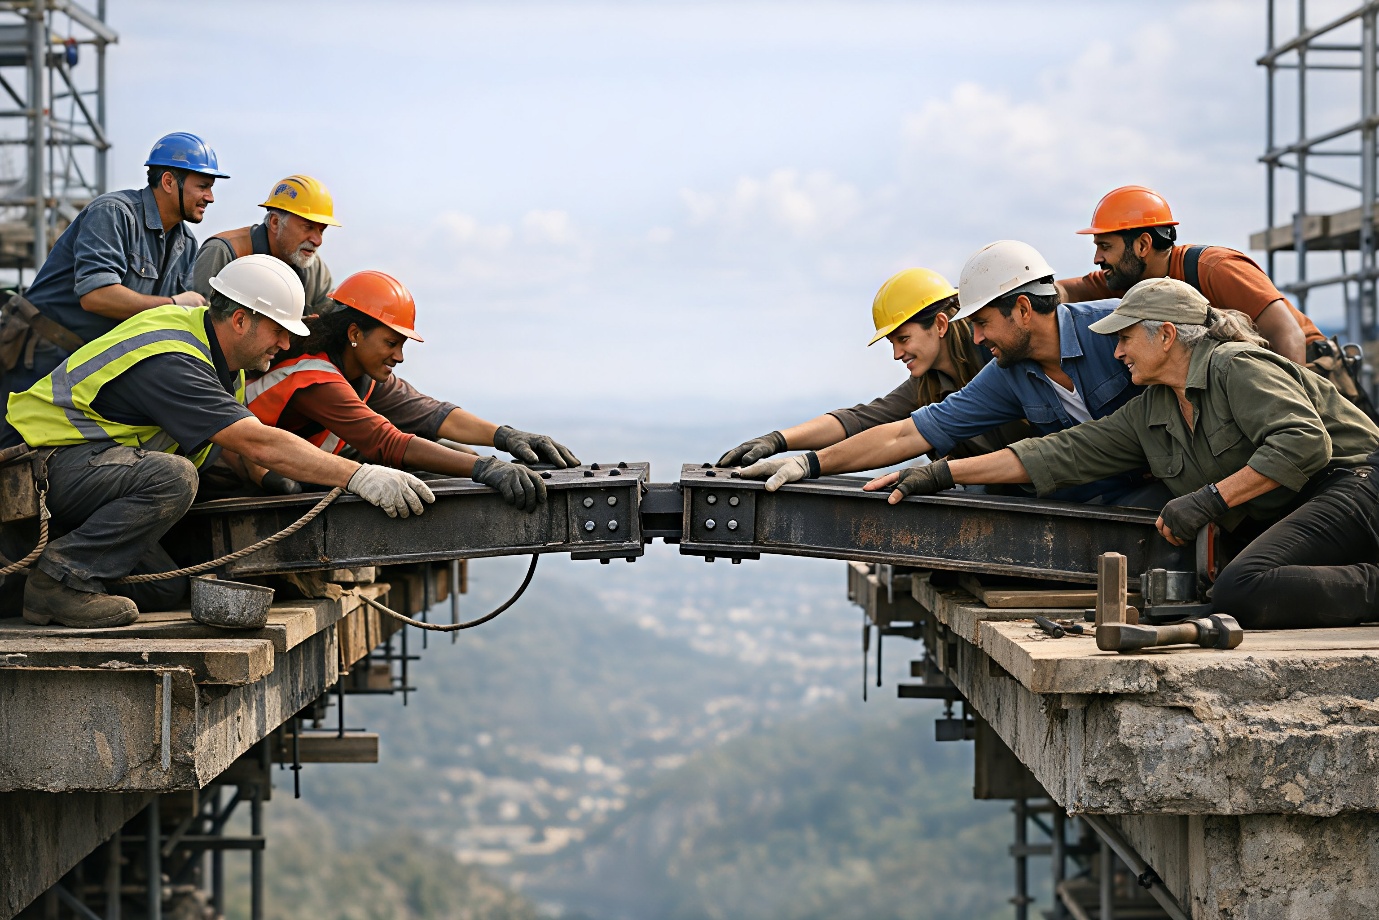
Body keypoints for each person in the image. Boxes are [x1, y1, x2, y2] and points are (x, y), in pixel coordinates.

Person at [866, 278, 1379, 630]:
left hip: (1353, 483)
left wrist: (1210, 499)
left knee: (1241, 590)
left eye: (1126, 338)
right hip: (1303, 506)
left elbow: (1304, 442)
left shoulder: (1234, 365)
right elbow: (1059, 453)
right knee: (1228, 585)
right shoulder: (1153, 408)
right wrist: (939, 474)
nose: (1116, 352)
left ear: (1167, 335)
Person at [1, 255, 434, 629]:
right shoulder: (173, 359)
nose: (286, 343)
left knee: (164, 590)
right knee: (173, 477)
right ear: (241, 320)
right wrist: (359, 476)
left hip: (82, 475)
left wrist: (273, 483)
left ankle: (21, 578)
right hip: (33, 471)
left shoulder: (222, 360)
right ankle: (55, 583)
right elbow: (255, 440)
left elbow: (236, 449)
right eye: (278, 330)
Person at [738, 241, 1153, 504]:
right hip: (1084, 499)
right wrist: (803, 460)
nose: (977, 337)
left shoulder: (1112, 329)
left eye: (982, 323)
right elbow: (897, 430)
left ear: (1024, 310)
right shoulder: (1005, 374)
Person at [240, 269, 578, 512]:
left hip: (304, 472)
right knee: (434, 467)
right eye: (391, 343)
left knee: (451, 451)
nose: (399, 356)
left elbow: (431, 413)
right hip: (251, 483)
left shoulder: (362, 374)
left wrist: (505, 436)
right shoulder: (315, 380)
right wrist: (485, 469)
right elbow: (386, 442)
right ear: (355, 333)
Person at [715, 267, 1029, 470]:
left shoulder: (997, 353)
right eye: (893, 342)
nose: (897, 354)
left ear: (940, 324)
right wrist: (778, 440)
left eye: (903, 339)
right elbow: (861, 419)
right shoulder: (928, 383)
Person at [0, 132, 226, 401]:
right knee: (17, 427)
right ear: (168, 181)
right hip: (39, 357)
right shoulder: (113, 213)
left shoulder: (186, 243)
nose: (210, 197)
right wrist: (174, 304)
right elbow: (96, 297)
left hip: (88, 366)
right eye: (203, 186)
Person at [1056, 185, 1322, 364]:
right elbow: (1068, 291)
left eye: (1105, 246)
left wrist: (1289, 412)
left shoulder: (1216, 268)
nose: (1097, 258)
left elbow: (1289, 336)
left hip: (1309, 371)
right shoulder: (1129, 278)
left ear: (1143, 245)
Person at [192, 174, 339, 315]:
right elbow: (198, 321)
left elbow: (331, 321)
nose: (318, 241)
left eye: (321, 231)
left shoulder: (315, 269)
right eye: (308, 227)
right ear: (275, 222)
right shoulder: (222, 252)